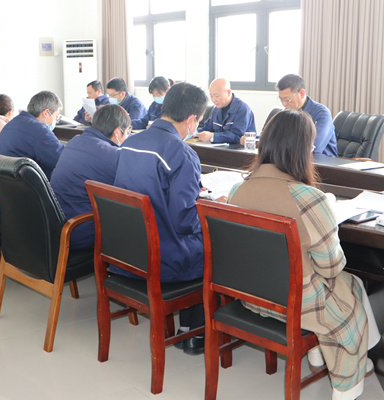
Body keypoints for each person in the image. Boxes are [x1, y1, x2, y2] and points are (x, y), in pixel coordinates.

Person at [227, 109, 379, 400]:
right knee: (349, 287)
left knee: (348, 287)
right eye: (310, 145)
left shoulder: (237, 191)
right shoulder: (310, 199)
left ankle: (324, 357)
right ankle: (347, 386)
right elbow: (331, 267)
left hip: (250, 296)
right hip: (296, 304)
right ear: (301, 150)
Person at [113, 82, 210, 355]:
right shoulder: (182, 153)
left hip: (127, 251)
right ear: (191, 120)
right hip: (161, 258)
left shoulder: (130, 143)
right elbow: (183, 221)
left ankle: (187, 328)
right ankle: (195, 334)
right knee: (215, 243)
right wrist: (207, 211)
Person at [51, 104, 130, 249]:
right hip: (79, 231)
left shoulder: (75, 141)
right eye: (127, 132)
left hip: (55, 225)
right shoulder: (112, 155)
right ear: (117, 131)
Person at [0, 90, 65, 180]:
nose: (56, 120)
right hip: (22, 184)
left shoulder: (14, 122)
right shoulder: (39, 130)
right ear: (46, 113)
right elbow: (62, 161)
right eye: (56, 116)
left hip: (3, 182)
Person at [274, 74, 337, 156]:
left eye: (287, 99)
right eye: (281, 99)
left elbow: (314, 147)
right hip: (291, 159)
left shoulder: (322, 114)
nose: (284, 104)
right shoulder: (285, 113)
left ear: (302, 93)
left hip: (320, 161)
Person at [196, 78, 256, 144]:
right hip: (220, 148)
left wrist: (213, 136)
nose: (213, 100)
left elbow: (237, 136)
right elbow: (207, 128)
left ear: (228, 92)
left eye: (216, 96)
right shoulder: (217, 109)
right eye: (211, 96)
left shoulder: (242, 109)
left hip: (239, 149)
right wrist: (194, 133)